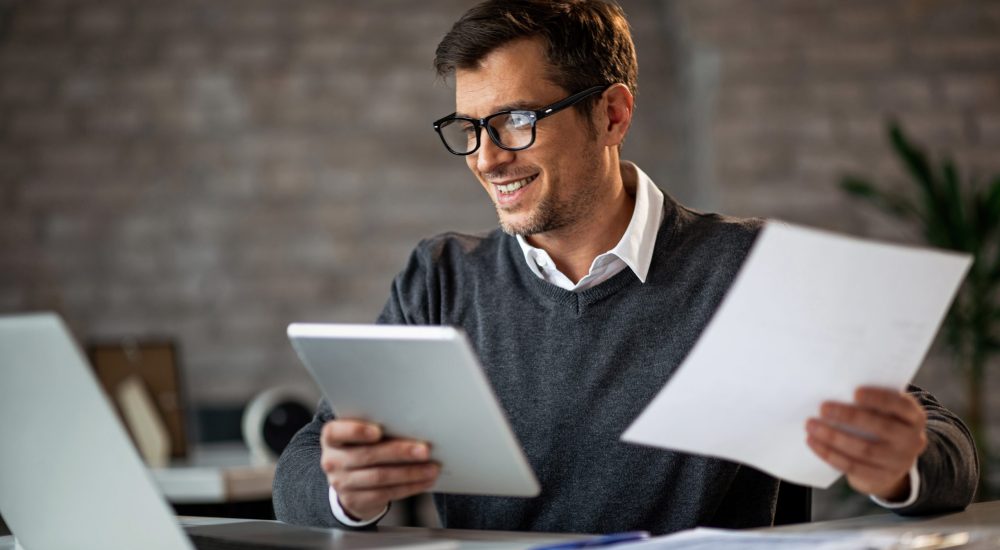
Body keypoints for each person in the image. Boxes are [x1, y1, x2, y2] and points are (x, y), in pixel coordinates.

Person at [273, 0, 978, 535]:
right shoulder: (441, 278)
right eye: (471, 129)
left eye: (517, 121)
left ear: (611, 115)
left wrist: (900, 463)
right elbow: (303, 468)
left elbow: (943, 446)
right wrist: (348, 488)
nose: (487, 158)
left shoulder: (748, 268)